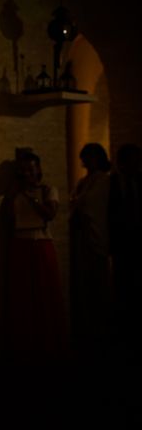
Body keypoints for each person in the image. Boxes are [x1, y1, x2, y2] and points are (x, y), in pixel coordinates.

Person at [1, 150, 67, 363]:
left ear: (38, 169)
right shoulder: (14, 194)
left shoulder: (48, 190)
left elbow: (50, 214)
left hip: (41, 243)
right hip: (20, 243)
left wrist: (32, 197)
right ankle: (24, 346)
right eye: (23, 170)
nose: (27, 173)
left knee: (45, 293)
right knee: (23, 295)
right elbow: (6, 218)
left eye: (31, 169)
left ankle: (48, 345)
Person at [69, 143, 111, 358]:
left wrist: (78, 202)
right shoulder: (84, 181)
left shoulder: (103, 181)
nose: (86, 162)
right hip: (83, 235)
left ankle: (100, 328)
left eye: (90, 157)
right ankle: (87, 326)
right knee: (85, 281)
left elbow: (86, 203)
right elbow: (75, 202)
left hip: (95, 235)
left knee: (98, 281)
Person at [108, 143, 142, 358]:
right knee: (123, 284)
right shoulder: (111, 184)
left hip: (139, 240)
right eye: (130, 160)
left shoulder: (140, 181)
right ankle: (125, 331)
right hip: (121, 242)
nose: (134, 164)